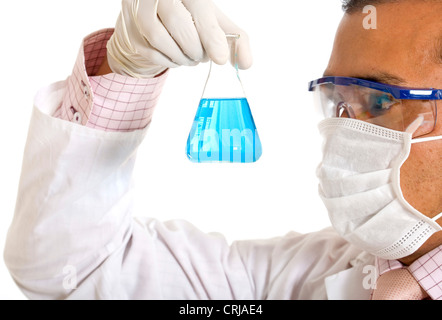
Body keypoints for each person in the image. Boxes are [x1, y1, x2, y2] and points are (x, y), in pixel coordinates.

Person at [3, 0, 441, 300]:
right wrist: (125, 67)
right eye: (339, 101)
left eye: (381, 101)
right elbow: (73, 272)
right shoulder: (284, 282)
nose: (345, 134)